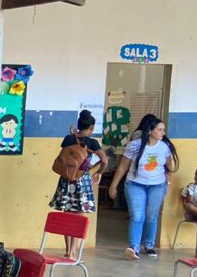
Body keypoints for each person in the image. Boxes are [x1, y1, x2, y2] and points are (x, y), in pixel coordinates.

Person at [108, 116, 179, 260]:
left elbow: (168, 168)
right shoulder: (134, 145)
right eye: (160, 130)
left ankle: (149, 245)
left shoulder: (164, 147)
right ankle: (134, 247)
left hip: (157, 186)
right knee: (137, 216)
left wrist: (168, 184)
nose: (163, 133)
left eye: (163, 130)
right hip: (135, 184)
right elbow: (123, 167)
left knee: (152, 216)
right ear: (150, 131)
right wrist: (113, 185)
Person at [49, 110, 108, 257]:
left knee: (67, 214)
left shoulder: (68, 139)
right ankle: (73, 251)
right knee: (78, 216)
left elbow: (67, 156)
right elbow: (105, 161)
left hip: (66, 179)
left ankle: (67, 250)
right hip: (82, 180)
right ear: (91, 127)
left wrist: (73, 135)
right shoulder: (93, 143)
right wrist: (98, 172)